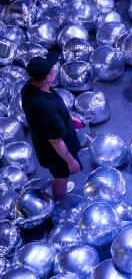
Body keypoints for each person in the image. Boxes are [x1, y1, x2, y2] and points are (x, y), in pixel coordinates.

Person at [20, 53, 82, 201]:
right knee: (61, 179)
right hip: (57, 155)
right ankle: (60, 202)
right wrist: (70, 161)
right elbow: (56, 141)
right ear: (48, 78)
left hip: (44, 143)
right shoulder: (47, 107)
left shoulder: (28, 88)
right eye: (53, 69)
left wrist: (68, 117)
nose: (55, 69)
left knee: (60, 176)